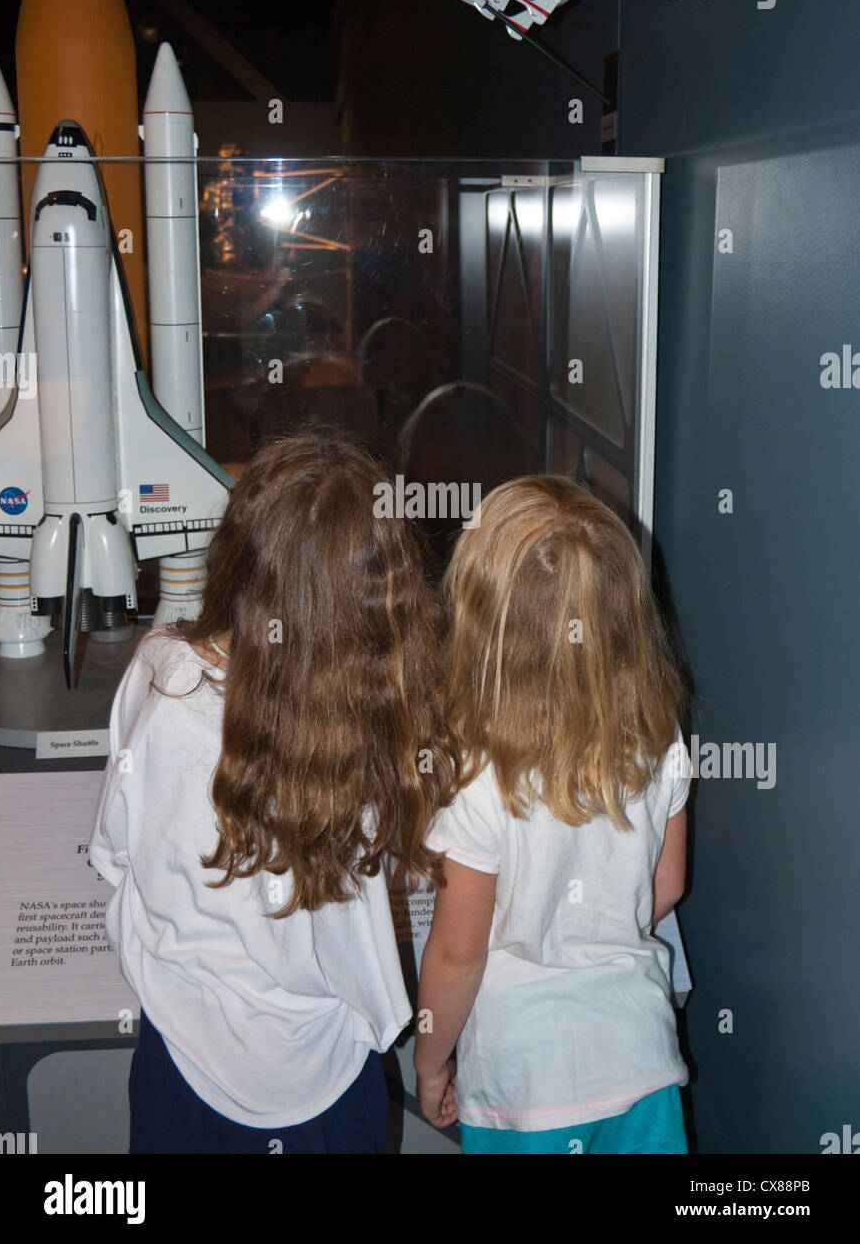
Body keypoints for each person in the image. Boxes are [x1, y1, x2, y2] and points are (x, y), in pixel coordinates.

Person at [90, 428, 455, 1153]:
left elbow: (116, 852)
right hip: (325, 1079)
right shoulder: (382, 722)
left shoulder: (162, 672)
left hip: (180, 1068)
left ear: (240, 551)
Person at [414, 475, 692, 1154]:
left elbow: (457, 954)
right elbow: (667, 887)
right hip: (641, 1062)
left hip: (523, 1087)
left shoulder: (476, 777)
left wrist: (429, 1065)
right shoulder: (656, 737)